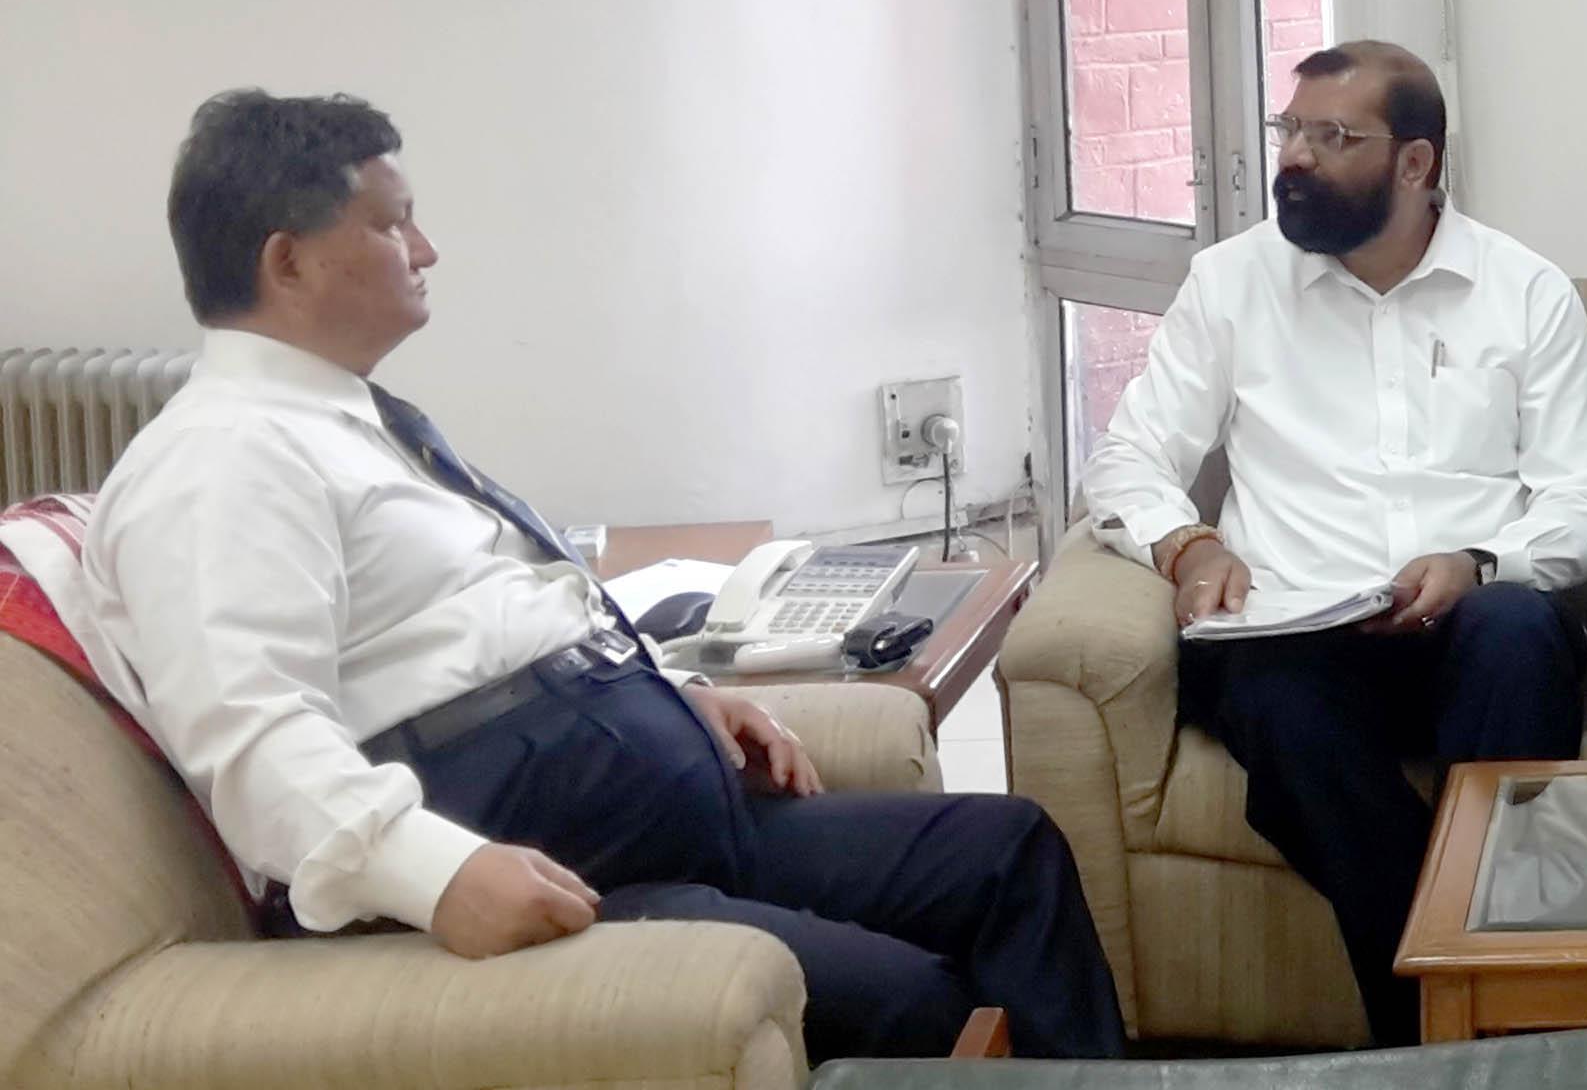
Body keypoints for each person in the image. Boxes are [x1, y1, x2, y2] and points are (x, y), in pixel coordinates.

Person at [84, 91, 1125, 1065]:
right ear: (290, 261)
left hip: (652, 813)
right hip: (559, 863)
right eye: (392, 224)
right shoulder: (219, 463)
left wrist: (680, 699)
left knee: (1008, 854)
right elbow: (252, 734)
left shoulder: (349, 422)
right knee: (918, 1003)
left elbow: (483, 624)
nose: (427, 249)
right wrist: (438, 875)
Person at [1076, 40, 1587, 1047]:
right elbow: (1125, 462)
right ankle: (1470, 1037)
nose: (1297, 159)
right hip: (1294, 634)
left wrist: (1478, 565)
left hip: (1466, 626)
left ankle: (1446, 1037)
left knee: (1518, 633)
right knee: (1279, 704)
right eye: (1292, 131)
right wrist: (1186, 544)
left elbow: (1584, 499)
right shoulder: (1231, 284)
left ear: (1415, 164)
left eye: (1334, 138)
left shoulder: (1523, 291)